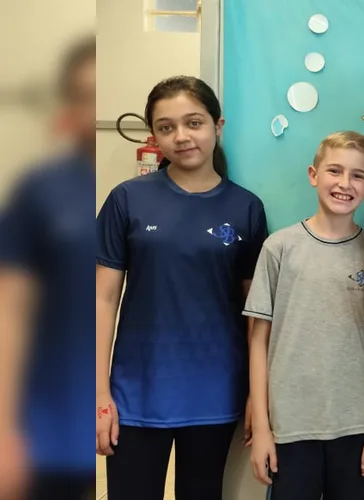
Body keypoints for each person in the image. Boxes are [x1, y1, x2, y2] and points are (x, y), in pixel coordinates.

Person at [95, 76, 269, 499]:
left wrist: (256, 399)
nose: (182, 136)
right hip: (135, 394)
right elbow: (102, 299)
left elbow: (256, 313)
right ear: (154, 135)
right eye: (167, 127)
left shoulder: (246, 207)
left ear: (217, 126)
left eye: (194, 122)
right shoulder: (127, 200)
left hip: (217, 391)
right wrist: (99, 394)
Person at [244, 131, 364, 499]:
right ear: (314, 175)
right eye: (335, 171)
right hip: (290, 426)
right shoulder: (279, 248)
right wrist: (262, 427)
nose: (345, 183)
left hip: (355, 426)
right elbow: (258, 340)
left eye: (358, 175)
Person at [0, 34, 96, 500]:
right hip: (44, 433)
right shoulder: (40, 191)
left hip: (104, 423)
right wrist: (4, 430)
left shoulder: (129, 202)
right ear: (70, 107)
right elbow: (10, 313)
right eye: (84, 94)